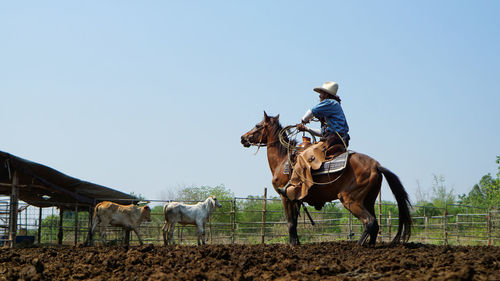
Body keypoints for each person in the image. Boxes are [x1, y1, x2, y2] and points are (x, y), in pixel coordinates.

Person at [277, 81, 350, 200]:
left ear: (326, 94)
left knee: (302, 155)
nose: (319, 96)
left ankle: (294, 187)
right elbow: (323, 132)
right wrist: (307, 129)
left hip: (332, 140)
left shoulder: (330, 103)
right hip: (335, 138)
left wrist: (304, 120)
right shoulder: (332, 107)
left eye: (321, 93)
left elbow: (311, 111)